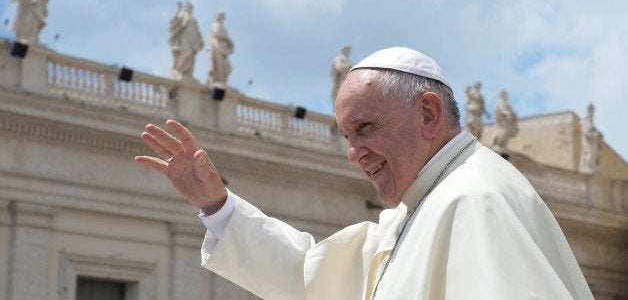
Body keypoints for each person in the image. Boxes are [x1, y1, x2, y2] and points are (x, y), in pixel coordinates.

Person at [135, 47, 593, 299]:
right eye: (346, 136)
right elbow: (307, 275)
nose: (353, 153)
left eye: (365, 128)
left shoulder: (475, 201)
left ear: (429, 115)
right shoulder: (416, 213)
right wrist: (216, 205)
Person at [168, 1, 204, 80]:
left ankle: (187, 73)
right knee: (186, 53)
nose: (190, 9)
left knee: (191, 57)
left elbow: (197, 31)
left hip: (193, 40)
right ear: (186, 8)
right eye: (188, 7)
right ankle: (178, 70)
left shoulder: (194, 20)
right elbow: (174, 21)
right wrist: (178, 10)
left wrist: (200, 40)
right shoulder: (182, 15)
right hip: (184, 38)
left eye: (191, 7)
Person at [208, 11, 234, 85]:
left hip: (224, 48)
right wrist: (227, 38)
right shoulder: (216, 24)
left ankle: (222, 81)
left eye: (223, 16)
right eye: (221, 16)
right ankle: (219, 81)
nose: (223, 18)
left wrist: (229, 43)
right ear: (218, 16)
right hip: (217, 46)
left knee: (228, 67)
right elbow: (217, 34)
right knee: (219, 65)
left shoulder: (223, 27)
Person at [491, 89, 519, 153]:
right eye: (505, 95)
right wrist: (507, 113)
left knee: (508, 133)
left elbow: (511, 111)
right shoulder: (500, 102)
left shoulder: (508, 103)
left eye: (506, 95)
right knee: (503, 132)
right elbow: (500, 110)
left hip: (509, 121)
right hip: (503, 120)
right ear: (502, 95)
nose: (506, 96)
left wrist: (513, 115)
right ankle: (498, 144)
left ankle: (503, 145)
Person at [579, 103, 602, 174]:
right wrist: (595, 134)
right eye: (591, 110)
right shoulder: (584, 121)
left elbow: (594, 130)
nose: (592, 112)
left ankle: (591, 167)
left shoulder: (591, 122)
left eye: (593, 110)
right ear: (588, 110)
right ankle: (587, 167)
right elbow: (586, 131)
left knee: (593, 154)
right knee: (589, 153)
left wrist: (599, 134)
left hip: (593, 142)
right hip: (588, 141)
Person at [331, 45, 353, 110]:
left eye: (349, 50)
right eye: (347, 50)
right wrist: (349, 66)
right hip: (340, 84)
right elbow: (339, 67)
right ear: (343, 50)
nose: (348, 52)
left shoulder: (349, 61)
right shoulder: (339, 58)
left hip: (347, 83)